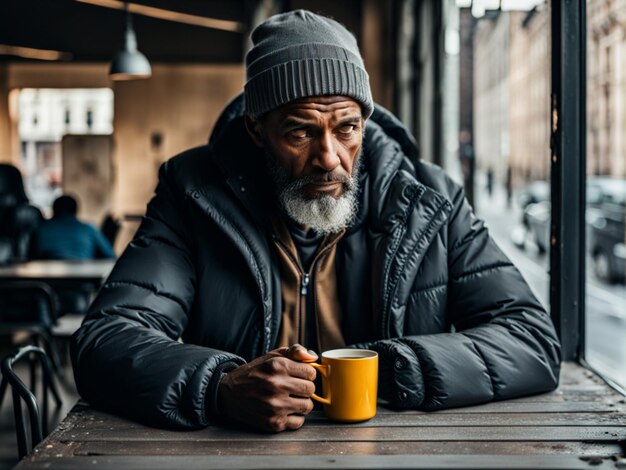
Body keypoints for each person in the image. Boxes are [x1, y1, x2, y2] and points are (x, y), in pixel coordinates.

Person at [71, 10, 560, 433]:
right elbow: (104, 341)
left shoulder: (428, 199)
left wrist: (390, 368)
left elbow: (531, 340)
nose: (329, 159)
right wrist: (218, 386)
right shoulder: (192, 192)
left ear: (363, 123)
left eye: (346, 128)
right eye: (301, 132)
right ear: (256, 130)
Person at [31, 195, 115, 260]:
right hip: (82, 277)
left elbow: (31, 255)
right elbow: (110, 255)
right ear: (76, 211)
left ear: (54, 210)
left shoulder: (41, 228)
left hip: (47, 278)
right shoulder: (89, 229)